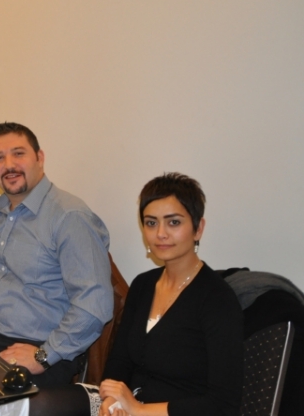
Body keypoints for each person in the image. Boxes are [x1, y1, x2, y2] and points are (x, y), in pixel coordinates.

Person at [45, 173, 244, 416]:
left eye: (174, 222)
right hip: (126, 406)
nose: (161, 233)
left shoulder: (217, 299)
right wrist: (111, 400)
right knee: (38, 405)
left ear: (198, 228)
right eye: (151, 223)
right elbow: (120, 361)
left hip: (173, 412)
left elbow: (223, 404)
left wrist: (139, 409)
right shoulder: (143, 285)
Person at [0, 122, 113, 393]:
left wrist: (43, 356)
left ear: (40, 158)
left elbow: (94, 304)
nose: (9, 165)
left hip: (37, 351)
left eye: (18, 154)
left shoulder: (69, 217)